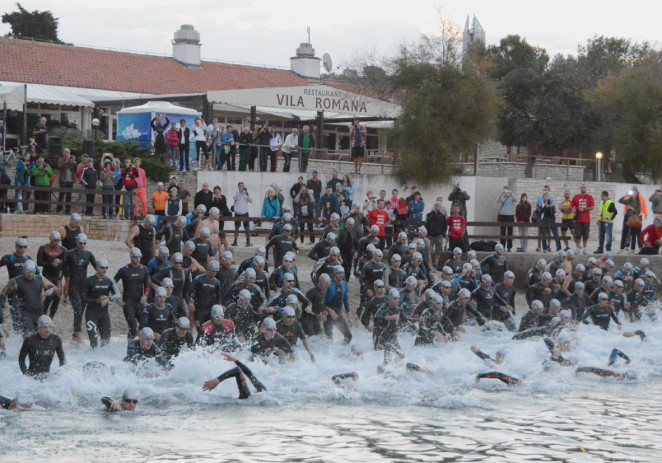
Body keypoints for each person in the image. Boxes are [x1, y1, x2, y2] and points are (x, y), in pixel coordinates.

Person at [2, 260, 56, 335]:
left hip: (38, 314)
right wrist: (2, 307)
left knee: (40, 337)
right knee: (29, 337)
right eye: (28, 272)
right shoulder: (16, 281)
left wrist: (51, 290)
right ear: (23, 271)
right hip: (25, 314)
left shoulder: (40, 279)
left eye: (33, 272)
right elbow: (4, 293)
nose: (30, 275)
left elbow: (55, 288)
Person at [63, 234, 97, 342]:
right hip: (73, 285)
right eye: (80, 243)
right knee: (77, 308)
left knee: (81, 310)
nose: (82, 245)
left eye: (84, 243)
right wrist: (63, 285)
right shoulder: (70, 254)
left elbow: (98, 268)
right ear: (76, 242)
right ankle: (78, 333)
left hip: (84, 285)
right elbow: (63, 269)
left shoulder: (88, 254)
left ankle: (74, 334)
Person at [84, 258, 121, 348]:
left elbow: (118, 294)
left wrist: (109, 298)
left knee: (106, 341)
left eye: (106, 268)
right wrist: (97, 300)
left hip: (104, 314)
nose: (104, 270)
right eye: (102, 268)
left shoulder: (109, 280)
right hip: (91, 314)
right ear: (97, 267)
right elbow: (82, 298)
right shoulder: (89, 281)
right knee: (94, 342)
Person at [114, 248, 151, 339]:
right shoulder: (124, 270)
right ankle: (130, 347)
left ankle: (143, 346)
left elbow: (147, 285)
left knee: (145, 324)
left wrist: (145, 295)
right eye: (135, 257)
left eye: (139, 257)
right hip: (128, 302)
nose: (137, 259)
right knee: (133, 326)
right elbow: (112, 284)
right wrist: (117, 298)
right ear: (131, 257)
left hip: (139, 301)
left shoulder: (144, 269)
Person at [202, 352, 267, 399]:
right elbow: (247, 373)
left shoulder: (247, 395)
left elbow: (247, 374)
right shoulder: (261, 393)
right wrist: (235, 360)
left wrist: (235, 360)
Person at [37, 231, 67, 318]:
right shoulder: (43, 248)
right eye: (55, 240)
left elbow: (65, 266)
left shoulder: (63, 250)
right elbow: (39, 262)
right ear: (50, 239)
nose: (57, 242)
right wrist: (51, 263)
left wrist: (60, 279)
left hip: (57, 275)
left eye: (58, 240)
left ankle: (51, 317)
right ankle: (44, 311)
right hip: (47, 275)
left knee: (57, 297)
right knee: (50, 295)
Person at [571, 184, 595, 254]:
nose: (583, 189)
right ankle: (578, 247)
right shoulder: (576, 197)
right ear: (580, 188)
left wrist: (584, 209)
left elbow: (592, 207)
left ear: (586, 188)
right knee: (577, 235)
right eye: (582, 188)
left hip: (586, 220)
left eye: (584, 187)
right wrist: (573, 209)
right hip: (578, 219)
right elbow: (571, 206)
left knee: (586, 235)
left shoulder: (589, 197)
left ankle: (584, 248)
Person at [618, 189, 641, 254]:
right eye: (633, 193)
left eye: (635, 193)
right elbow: (620, 201)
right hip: (626, 217)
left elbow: (638, 212)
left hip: (633, 218)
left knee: (633, 234)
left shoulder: (638, 202)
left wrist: (631, 208)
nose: (633, 194)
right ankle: (621, 248)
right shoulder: (628, 200)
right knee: (624, 233)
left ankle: (632, 249)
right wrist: (625, 195)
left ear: (637, 195)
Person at [56, 148, 77, 214]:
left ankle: (68, 210)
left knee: (69, 196)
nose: (67, 154)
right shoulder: (61, 159)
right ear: (64, 153)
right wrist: (66, 160)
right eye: (66, 152)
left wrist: (74, 163)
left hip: (70, 180)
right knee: (61, 195)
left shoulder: (72, 160)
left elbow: (75, 169)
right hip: (63, 180)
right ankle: (59, 210)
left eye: (68, 152)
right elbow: (60, 166)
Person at [232, 182, 253, 247]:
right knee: (236, 228)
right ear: (238, 187)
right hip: (237, 213)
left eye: (242, 186)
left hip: (245, 213)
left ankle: (248, 241)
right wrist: (239, 193)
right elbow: (234, 198)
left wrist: (247, 193)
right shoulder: (236, 193)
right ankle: (235, 241)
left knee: (246, 228)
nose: (241, 187)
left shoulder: (246, 194)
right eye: (240, 186)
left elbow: (251, 200)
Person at [496, 185, 516, 252]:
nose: (506, 191)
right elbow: (497, 201)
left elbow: (516, 199)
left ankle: (509, 247)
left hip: (510, 215)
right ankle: (502, 246)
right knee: (502, 232)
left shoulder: (511, 197)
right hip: (502, 215)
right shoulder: (502, 196)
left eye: (507, 189)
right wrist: (501, 193)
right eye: (505, 189)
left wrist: (511, 193)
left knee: (510, 232)